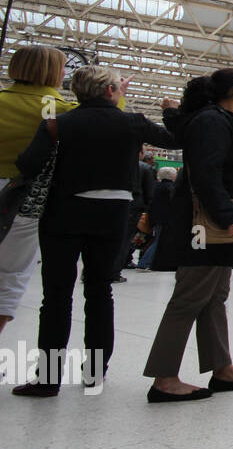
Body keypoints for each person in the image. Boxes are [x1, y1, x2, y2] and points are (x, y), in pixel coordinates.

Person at [13, 66, 175, 396]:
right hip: (112, 214)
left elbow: (28, 164)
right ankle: (95, 372)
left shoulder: (58, 123)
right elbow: (174, 139)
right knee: (100, 292)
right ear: (112, 92)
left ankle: (48, 379)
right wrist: (171, 111)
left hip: (64, 214)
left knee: (56, 296)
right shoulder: (132, 123)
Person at [143, 69, 233, 403]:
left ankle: (221, 367)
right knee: (190, 296)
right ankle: (164, 377)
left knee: (214, 295)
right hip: (204, 224)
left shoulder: (218, 120)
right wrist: (228, 217)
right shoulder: (212, 122)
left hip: (211, 222)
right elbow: (205, 174)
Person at [0, 45, 76, 338]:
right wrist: (117, 93)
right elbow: (105, 113)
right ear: (51, 72)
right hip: (23, 198)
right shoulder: (57, 108)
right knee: (11, 274)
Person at [115, 150, 156, 279]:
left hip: (115, 204)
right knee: (125, 241)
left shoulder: (119, 163)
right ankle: (114, 272)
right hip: (135, 208)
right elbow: (150, 192)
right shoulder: (146, 168)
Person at [137, 166, 175, 271]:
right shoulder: (170, 188)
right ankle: (144, 263)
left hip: (156, 218)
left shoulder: (157, 186)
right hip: (165, 220)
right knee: (158, 241)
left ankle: (147, 262)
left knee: (156, 240)